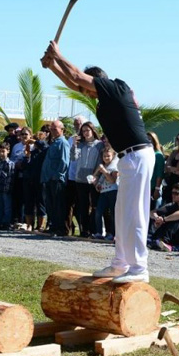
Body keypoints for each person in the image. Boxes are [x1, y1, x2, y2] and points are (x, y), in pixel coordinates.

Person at [42, 41, 155, 283]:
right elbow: (74, 82)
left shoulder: (115, 87)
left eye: (90, 88)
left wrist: (58, 54)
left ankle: (139, 268)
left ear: (97, 82)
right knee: (122, 212)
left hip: (138, 154)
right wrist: (52, 66)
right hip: (128, 157)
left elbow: (76, 76)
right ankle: (121, 263)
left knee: (135, 213)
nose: (88, 94)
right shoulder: (106, 101)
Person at [72, 121, 104, 237]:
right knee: (82, 206)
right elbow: (73, 158)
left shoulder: (99, 144)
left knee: (94, 205)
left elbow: (101, 161)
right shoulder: (80, 144)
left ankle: (94, 229)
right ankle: (84, 230)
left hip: (93, 178)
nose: (85, 133)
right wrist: (74, 145)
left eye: (87, 130)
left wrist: (96, 176)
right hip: (80, 178)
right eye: (83, 131)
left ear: (92, 130)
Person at [40, 119, 70, 236]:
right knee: (50, 205)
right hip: (48, 179)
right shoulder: (54, 142)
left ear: (62, 130)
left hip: (56, 179)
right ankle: (53, 226)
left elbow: (64, 162)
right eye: (51, 129)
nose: (52, 131)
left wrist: (56, 176)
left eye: (55, 129)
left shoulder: (63, 143)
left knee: (58, 205)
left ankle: (60, 228)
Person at [149, 183, 179, 252]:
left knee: (178, 218)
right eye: (172, 193)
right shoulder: (173, 205)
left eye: (176, 193)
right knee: (166, 216)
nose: (173, 195)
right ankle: (157, 239)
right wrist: (157, 218)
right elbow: (152, 212)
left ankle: (163, 240)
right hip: (176, 236)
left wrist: (164, 219)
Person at [23, 125, 49, 231]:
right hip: (29, 180)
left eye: (38, 139)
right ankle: (29, 224)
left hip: (41, 181)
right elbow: (25, 165)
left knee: (40, 204)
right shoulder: (32, 153)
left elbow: (44, 147)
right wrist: (27, 154)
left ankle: (40, 225)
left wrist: (35, 141)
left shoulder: (45, 152)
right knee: (29, 203)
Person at [92, 145, 119, 240]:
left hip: (112, 191)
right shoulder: (103, 166)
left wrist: (103, 171)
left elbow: (112, 180)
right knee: (98, 211)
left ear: (113, 156)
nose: (106, 158)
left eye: (108, 156)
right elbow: (95, 177)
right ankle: (99, 232)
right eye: (104, 156)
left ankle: (114, 234)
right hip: (103, 192)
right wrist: (97, 184)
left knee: (113, 213)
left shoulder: (115, 166)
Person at [162, 132, 179, 204]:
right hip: (171, 181)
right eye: (177, 139)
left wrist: (175, 169)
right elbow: (167, 166)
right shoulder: (174, 152)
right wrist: (176, 170)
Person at [147, 131, 165, 208]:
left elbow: (159, 173)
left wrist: (157, 189)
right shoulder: (145, 155)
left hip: (153, 188)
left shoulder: (158, 155)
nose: (148, 141)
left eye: (150, 139)